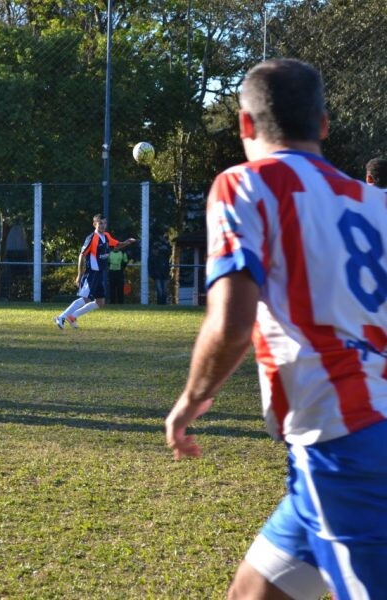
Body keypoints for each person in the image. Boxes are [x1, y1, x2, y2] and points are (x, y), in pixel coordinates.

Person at [165, 58, 387, 599]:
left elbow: (232, 320)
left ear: (244, 125)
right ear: (325, 124)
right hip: (341, 445)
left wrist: (191, 400)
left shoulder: (246, 184)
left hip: (346, 445)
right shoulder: (375, 203)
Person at [54, 214, 136, 329]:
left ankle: (72, 317)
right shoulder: (92, 238)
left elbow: (116, 245)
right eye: (100, 223)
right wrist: (79, 275)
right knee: (85, 299)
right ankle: (61, 317)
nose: (103, 225)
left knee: (100, 302)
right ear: (94, 224)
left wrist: (127, 242)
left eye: (104, 223)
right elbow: (81, 256)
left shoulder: (106, 236)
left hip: (100, 273)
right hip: (91, 273)